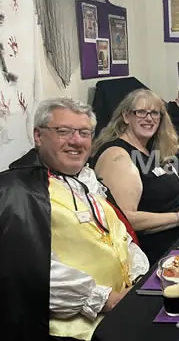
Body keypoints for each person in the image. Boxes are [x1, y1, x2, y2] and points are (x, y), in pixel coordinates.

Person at [0, 97, 149, 341]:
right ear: (38, 136)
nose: (76, 141)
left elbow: (120, 236)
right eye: (63, 131)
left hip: (124, 308)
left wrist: (139, 279)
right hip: (76, 332)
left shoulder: (87, 180)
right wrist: (103, 299)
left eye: (84, 132)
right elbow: (31, 270)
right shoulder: (15, 191)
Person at [91, 89, 179, 263]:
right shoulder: (118, 155)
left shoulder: (153, 149)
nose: (149, 118)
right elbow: (124, 218)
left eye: (155, 113)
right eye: (141, 112)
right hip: (155, 254)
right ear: (126, 116)